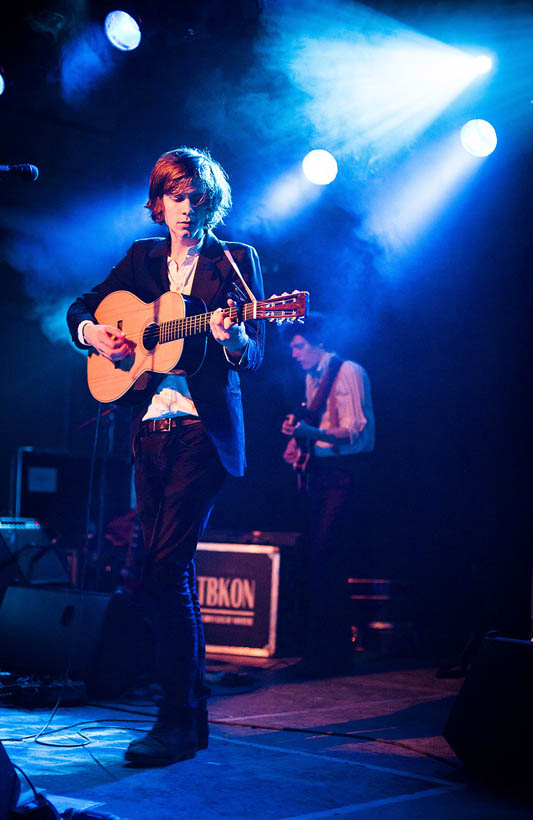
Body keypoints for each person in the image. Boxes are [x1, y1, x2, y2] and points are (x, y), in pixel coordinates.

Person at [67, 146, 264, 766]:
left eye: (197, 197)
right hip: (148, 430)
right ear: (159, 202)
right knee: (163, 575)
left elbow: (255, 353)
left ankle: (175, 720)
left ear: (210, 202)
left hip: (200, 433)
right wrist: (94, 334)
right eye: (176, 196)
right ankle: (186, 720)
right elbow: (83, 306)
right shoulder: (141, 258)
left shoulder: (236, 261)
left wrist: (233, 336)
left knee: (164, 570)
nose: (186, 208)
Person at [281, 315, 374, 677]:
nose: (294, 353)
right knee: (319, 562)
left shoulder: (347, 371)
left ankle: (330, 656)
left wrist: (309, 431)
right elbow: (317, 431)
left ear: (319, 342)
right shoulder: (311, 379)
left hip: (344, 474)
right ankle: (324, 653)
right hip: (321, 474)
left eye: (299, 345)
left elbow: (356, 433)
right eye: (292, 347)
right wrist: (298, 440)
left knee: (327, 560)